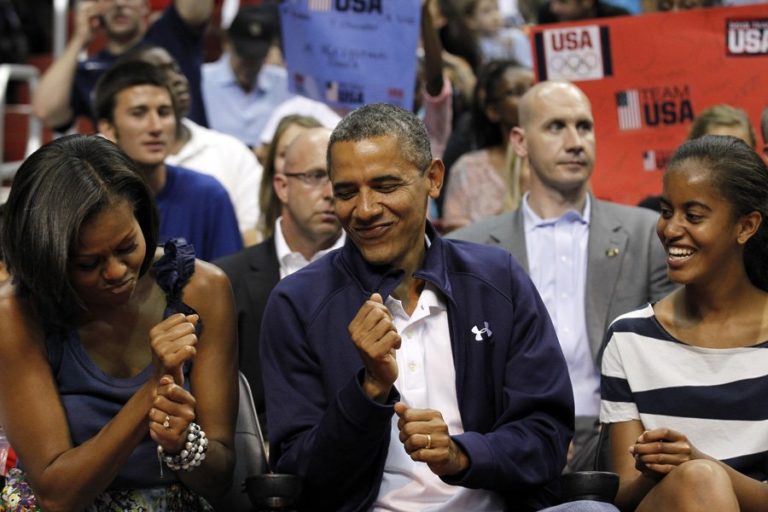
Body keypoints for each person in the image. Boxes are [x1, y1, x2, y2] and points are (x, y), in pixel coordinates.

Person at [260, 102, 617, 511]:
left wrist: (461, 455)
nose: (364, 209)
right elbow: (301, 479)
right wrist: (369, 390)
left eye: (385, 186)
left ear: (432, 179)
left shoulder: (498, 279)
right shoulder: (297, 303)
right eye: (345, 192)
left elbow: (545, 437)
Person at [0, 135, 237, 510]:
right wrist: (152, 391)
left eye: (127, 246)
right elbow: (56, 494)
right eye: (87, 263)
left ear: (142, 217)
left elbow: (221, 476)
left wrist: (182, 445)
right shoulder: (17, 313)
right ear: (47, 261)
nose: (115, 272)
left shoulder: (202, 290)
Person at [450, 80, 675, 471]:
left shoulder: (648, 234)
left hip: (625, 440)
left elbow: (669, 359)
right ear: (519, 141)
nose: (575, 141)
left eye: (584, 127)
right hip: (509, 440)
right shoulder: (468, 248)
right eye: (556, 127)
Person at [600, 135, 768, 512]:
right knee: (697, 481)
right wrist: (655, 471)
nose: (671, 229)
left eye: (693, 216)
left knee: (701, 478)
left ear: (746, 226)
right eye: (666, 211)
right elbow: (623, 495)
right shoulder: (630, 337)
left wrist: (698, 462)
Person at [214, 127, 344, 436]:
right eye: (315, 176)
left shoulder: (378, 276)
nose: (329, 193)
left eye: (339, 180)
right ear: (282, 187)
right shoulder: (227, 281)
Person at [94, 60, 243, 262]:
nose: (156, 127)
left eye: (164, 112)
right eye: (139, 113)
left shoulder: (209, 196)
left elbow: (229, 285)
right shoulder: (87, 201)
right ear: (108, 129)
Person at [121, 44, 264, 245]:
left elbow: (255, 238)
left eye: (175, 69)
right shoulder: (97, 158)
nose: (177, 80)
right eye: (158, 73)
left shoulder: (230, 151)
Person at [32, 0, 212, 132]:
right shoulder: (88, 69)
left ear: (145, 6)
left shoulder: (173, 32)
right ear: (94, 9)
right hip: (122, 172)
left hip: (189, 156)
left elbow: (195, 8)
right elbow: (45, 111)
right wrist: (79, 39)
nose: (118, 3)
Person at [442, 60, 533, 231]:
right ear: (493, 111)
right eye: (517, 92)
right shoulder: (467, 169)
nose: (531, 97)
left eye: (535, 88)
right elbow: (456, 241)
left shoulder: (558, 162)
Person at [202, 3, 293, 149]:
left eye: (256, 57)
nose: (249, 64)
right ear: (227, 44)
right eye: (243, 56)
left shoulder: (285, 85)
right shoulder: (202, 81)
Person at [638, 103, 756, 213]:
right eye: (718, 150)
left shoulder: (763, 208)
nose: (731, 161)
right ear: (694, 151)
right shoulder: (653, 212)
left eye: (741, 150)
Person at [257, 114, 325, 240]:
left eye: (307, 155)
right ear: (272, 164)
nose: (292, 165)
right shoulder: (256, 221)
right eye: (285, 154)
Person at [537, 0, 630, 23]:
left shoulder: (618, 18)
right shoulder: (547, 16)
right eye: (552, 2)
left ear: (587, 1)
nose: (554, 9)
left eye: (563, 1)